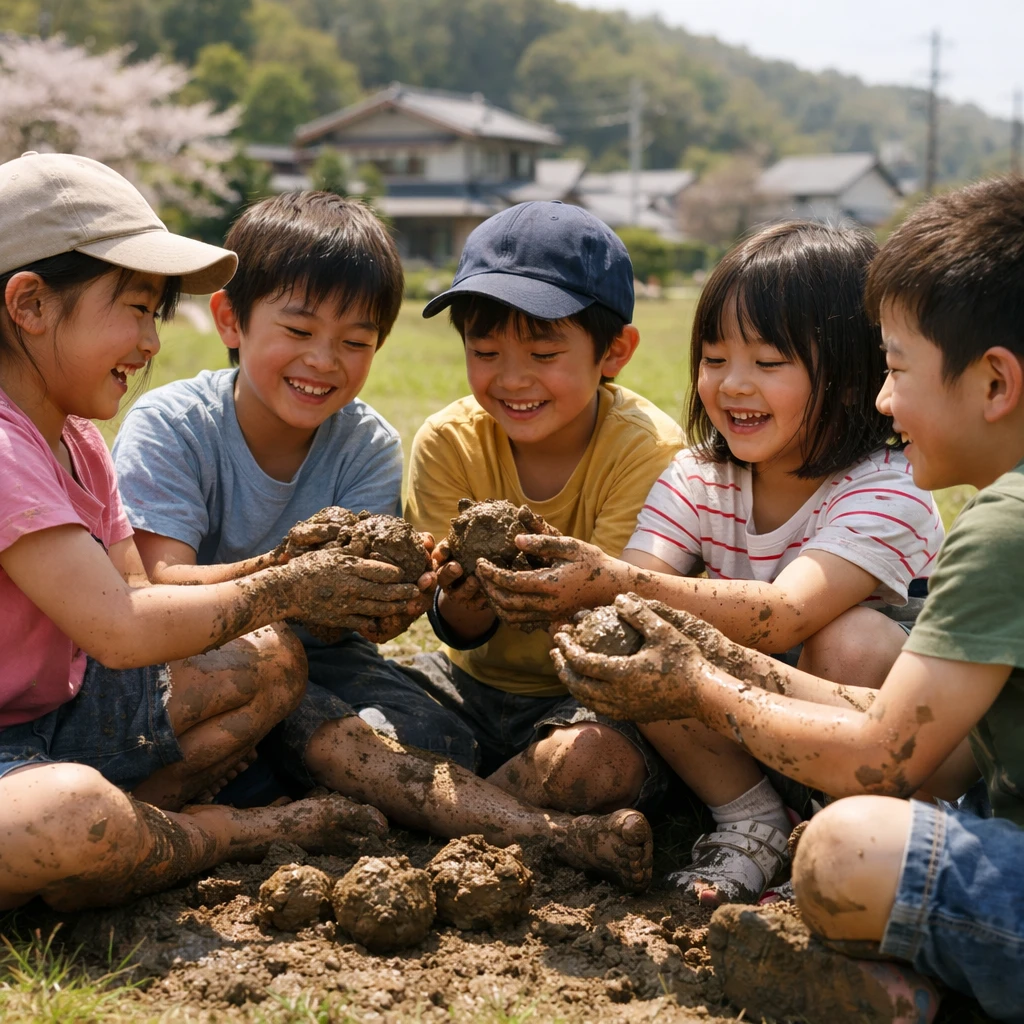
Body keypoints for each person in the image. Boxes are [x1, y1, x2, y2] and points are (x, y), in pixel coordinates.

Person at [551, 177, 1024, 1022]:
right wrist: (680, 651)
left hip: (927, 790)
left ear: (995, 384)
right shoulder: (702, 475)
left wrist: (693, 677)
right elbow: (928, 742)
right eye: (716, 358)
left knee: (845, 849)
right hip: (968, 790)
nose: (884, 399)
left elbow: (883, 750)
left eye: (896, 369)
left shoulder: (997, 524)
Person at [112, 191, 653, 891]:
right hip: (200, 663)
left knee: (423, 738)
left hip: (331, 669)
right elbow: (156, 584)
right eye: (299, 330)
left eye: (355, 342)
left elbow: (367, 624)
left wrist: (407, 597)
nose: (323, 360)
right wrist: (285, 576)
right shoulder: (172, 424)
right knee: (283, 695)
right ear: (230, 318)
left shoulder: (366, 442)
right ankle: (530, 830)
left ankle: (313, 787)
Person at [478, 221, 944, 905]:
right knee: (630, 630)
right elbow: (630, 593)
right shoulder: (698, 476)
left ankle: (841, 827)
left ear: (851, 380)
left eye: (768, 362)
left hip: (860, 739)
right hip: (734, 736)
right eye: (715, 358)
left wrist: (610, 579)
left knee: (851, 638)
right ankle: (750, 819)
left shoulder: (888, 486)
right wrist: (589, 590)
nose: (733, 385)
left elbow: (787, 614)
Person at [0, 152, 404, 911]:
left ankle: (127, 836)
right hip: (25, 751)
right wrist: (290, 583)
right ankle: (216, 834)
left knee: (268, 655)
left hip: (56, 715)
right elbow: (121, 629)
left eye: (154, 314)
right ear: (31, 304)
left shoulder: (76, 437)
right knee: (72, 814)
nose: (151, 342)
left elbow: (137, 587)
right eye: (135, 308)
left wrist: (286, 567)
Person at [403, 201, 685, 818]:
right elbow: (448, 618)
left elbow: (616, 622)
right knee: (357, 716)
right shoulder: (447, 441)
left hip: (592, 694)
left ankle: (445, 802)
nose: (512, 379)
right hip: (468, 686)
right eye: (485, 352)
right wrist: (464, 602)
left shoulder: (647, 449)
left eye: (543, 354)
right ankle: (497, 802)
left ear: (614, 352)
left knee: (591, 763)